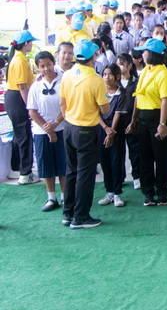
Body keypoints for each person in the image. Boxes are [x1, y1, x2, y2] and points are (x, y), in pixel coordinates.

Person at [60, 40, 110, 229]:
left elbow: (62, 103)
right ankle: (80, 217)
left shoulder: (67, 75)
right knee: (85, 174)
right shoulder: (96, 80)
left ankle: (68, 213)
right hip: (87, 131)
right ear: (93, 57)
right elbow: (105, 110)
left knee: (72, 171)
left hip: (69, 127)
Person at [127, 39, 167, 206]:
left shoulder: (163, 74)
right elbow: (138, 96)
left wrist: (162, 124)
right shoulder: (146, 70)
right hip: (143, 118)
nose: (142, 54)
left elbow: (165, 100)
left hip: (158, 117)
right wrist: (134, 119)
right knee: (145, 157)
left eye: (145, 51)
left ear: (152, 54)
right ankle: (148, 192)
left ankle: (162, 192)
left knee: (160, 156)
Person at [27, 51, 66, 211]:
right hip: (41, 131)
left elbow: (68, 106)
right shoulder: (36, 86)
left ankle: (65, 196)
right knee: (46, 164)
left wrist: (55, 123)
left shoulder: (63, 81)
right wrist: (47, 128)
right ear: (37, 68)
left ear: (53, 63)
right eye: (42, 66)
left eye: (48, 64)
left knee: (63, 164)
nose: (46, 69)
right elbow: (32, 110)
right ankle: (51, 198)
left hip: (62, 128)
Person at [6, 30, 39, 184]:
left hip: (17, 98)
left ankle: (19, 169)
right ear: (26, 43)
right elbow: (21, 87)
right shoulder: (19, 60)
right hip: (18, 99)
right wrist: (29, 106)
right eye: (31, 42)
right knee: (24, 136)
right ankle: (25, 173)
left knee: (20, 135)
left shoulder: (20, 58)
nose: (32, 44)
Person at [97, 64, 130, 208]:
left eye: (109, 74)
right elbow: (96, 112)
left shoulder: (122, 93)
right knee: (104, 161)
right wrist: (105, 128)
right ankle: (109, 192)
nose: (106, 77)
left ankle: (117, 193)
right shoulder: (100, 91)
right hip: (101, 129)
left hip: (116, 131)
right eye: (104, 74)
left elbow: (117, 114)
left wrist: (111, 132)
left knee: (116, 161)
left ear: (117, 77)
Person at [117, 53, 141, 189]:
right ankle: (119, 177)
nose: (119, 67)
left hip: (132, 120)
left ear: (129, 66)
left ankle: (136, 176)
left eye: (121, 64)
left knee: (134, 151)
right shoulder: (115, 83)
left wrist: (134, 121)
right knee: (118, 151)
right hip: (117, 121)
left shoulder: (136, 83)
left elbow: (138, 102)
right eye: (117, 64)